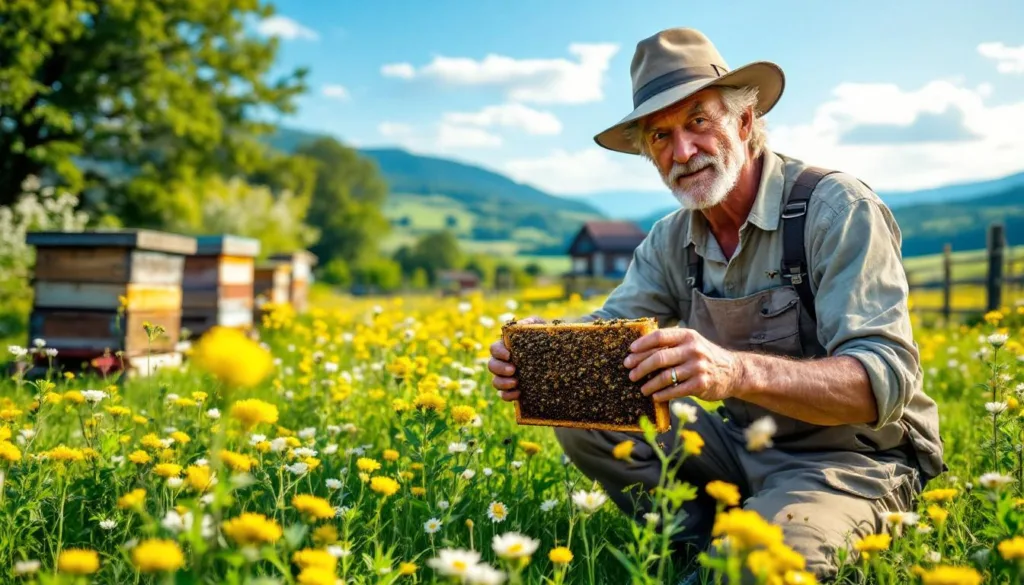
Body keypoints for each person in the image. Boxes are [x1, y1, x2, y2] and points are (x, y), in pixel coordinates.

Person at [487, 27, 944, 582]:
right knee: (587, 414)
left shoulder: (833, 209)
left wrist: (734, 371)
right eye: (660, 135)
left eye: (699, 121)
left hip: (849, 458)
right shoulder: (671, 237)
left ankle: (748, 546)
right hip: (737, 446)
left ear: (744, 122)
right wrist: (541, 352)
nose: (683, 152)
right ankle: (697, 547)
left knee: (758, 568)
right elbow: (605, 330)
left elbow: (883, 380)